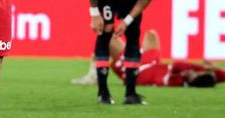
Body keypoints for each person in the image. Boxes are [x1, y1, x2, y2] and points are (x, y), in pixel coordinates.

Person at [88, 0, 169, 105]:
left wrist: (128, 20)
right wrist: (95, 13)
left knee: (133, 32)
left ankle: (130, 94)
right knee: (106, 31)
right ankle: (103, 93)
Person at [74, 30, 225, 88]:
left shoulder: (174, 80)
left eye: (195, 75)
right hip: (151, 61)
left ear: (191, 81)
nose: (193, 72)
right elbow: (221, 75)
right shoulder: (199, 78)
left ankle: (94, 75)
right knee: (151, 34)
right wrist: (211, 70)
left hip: (136, 71)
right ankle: (133, 48)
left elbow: (179, 64)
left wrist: (205, 68)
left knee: (105, 38)